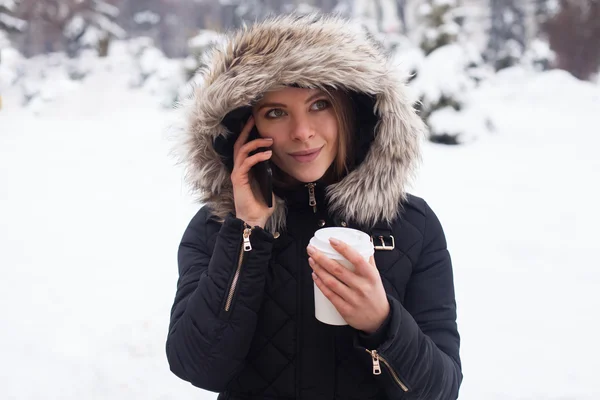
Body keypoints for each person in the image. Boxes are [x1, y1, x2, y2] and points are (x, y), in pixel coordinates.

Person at [166, 13, 462, 400]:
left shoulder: (412, 225)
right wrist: (247, 231)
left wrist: (382, 324)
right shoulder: (216, 227)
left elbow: (441, 390)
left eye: (319, 104)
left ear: (351, 109)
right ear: (247, 130)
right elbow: (197, 365)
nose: (302, 132)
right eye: (276, 112)